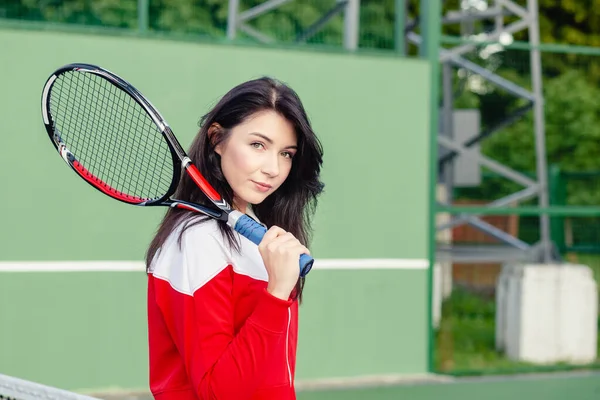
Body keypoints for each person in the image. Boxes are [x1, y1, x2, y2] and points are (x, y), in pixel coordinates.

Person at [145, 76, 324, 400]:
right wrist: (277, 293)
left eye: (286, 153)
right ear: (217, 139)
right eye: (258, 145)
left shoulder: (260, 231)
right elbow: (218, 393)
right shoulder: (198, 241)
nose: (273, 168)